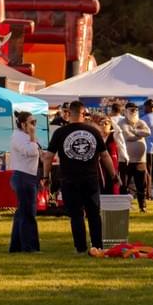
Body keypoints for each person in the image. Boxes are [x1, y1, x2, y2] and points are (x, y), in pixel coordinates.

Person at [42, 101, 116, 254]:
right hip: (90, 178)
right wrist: (114, 175)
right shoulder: (93, 131)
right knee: (94, 214)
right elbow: (105, 155)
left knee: (76, 215)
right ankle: (97, 246)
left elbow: (48, 157)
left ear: (69, 113)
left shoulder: (60, 132)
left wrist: (45, 177)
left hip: (69, 179)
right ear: (83, 114)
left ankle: (80, 248)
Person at [8, 110, 41, 253]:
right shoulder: (19, 137)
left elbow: (36, 151)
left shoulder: (23, 136)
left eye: (35, 122)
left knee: (22, 212)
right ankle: (29, 246)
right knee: (28, 212)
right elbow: (31, 152)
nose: (34, 126)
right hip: (23, 176)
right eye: (32, 122)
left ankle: (16, 246)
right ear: (23, 124)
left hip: (28, 175)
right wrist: (33, 136)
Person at [117, 103, 150, 212]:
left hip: (140, 160)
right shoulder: (121, 123)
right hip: (125, 160)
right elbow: (128, 136)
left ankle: (142, 206)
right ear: (126, 111)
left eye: (136, 110)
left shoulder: (141, 122)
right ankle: (123, 206)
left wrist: (135, 131)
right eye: (132, 110)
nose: (134, 112)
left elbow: (148, 132)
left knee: (141, 185)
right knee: (124, 184)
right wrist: (140, 134)